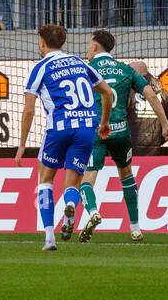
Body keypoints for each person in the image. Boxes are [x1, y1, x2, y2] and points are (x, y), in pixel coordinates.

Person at [14, 23, 114, 251]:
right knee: (74, 182)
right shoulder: (80, 62)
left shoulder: (41, 67)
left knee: (45, 180)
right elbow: (108, 92)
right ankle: (70, 205)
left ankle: (49, 236)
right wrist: (104, 122)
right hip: (86, 129)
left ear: (42, 42)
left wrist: (21, 145)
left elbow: (28, 110)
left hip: (58, 128)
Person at [77, 29, 168, 243]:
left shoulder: (87, 68)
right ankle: (135, 227)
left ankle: (93, 211)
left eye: (88, 44)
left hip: (96, 130)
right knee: (127, 176)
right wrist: (166, 125)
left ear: (94, 46)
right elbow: (150, 94)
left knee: (88, 177)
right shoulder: (125, 69)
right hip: (121, 131)